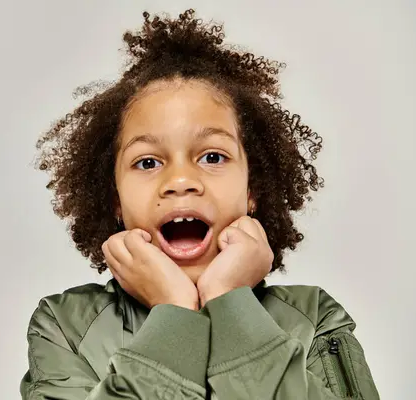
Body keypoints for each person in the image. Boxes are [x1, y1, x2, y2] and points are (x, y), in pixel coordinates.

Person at [20, 9, 380, 399]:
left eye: (212, 157)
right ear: (115, 200)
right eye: (147, 162)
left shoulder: (314, 318)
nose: (180, 182)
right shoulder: (63, 325)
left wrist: (229, 300)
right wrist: (174, 311)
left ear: (251, 190)